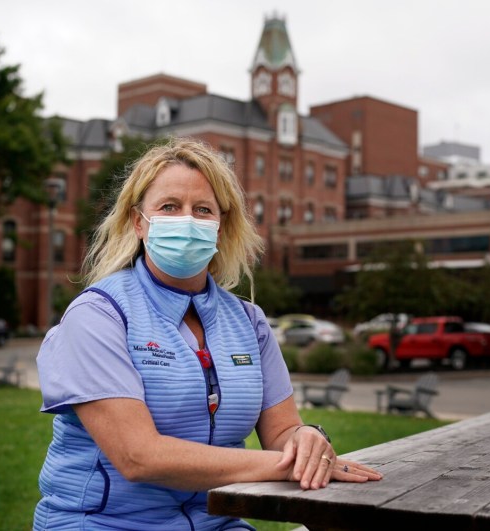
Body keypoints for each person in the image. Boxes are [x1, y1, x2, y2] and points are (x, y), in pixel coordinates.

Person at [33, 137, 382, 530]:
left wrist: (305, 441)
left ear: (220, 227)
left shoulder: (249, 321)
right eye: (169, 207)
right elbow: (138, 456)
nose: (187, 221)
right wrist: (286, 466)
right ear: (138, 222)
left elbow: (282, 430)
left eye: (203, 210)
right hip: (105, 523)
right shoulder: (98, 315)